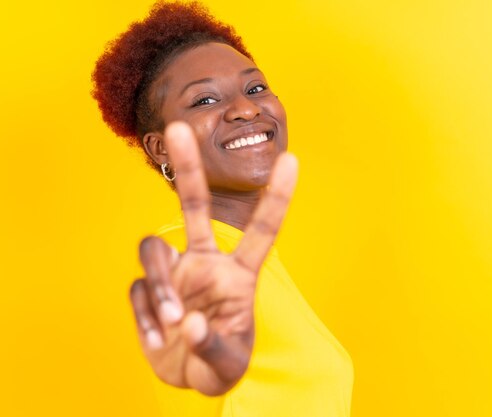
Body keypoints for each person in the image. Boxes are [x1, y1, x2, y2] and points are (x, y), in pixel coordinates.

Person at [92, 2, 353, 416]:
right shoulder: (189, 255)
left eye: (255, 89)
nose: (247, 109)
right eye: (204, 100)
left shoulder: (249, 257)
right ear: (161, 148)